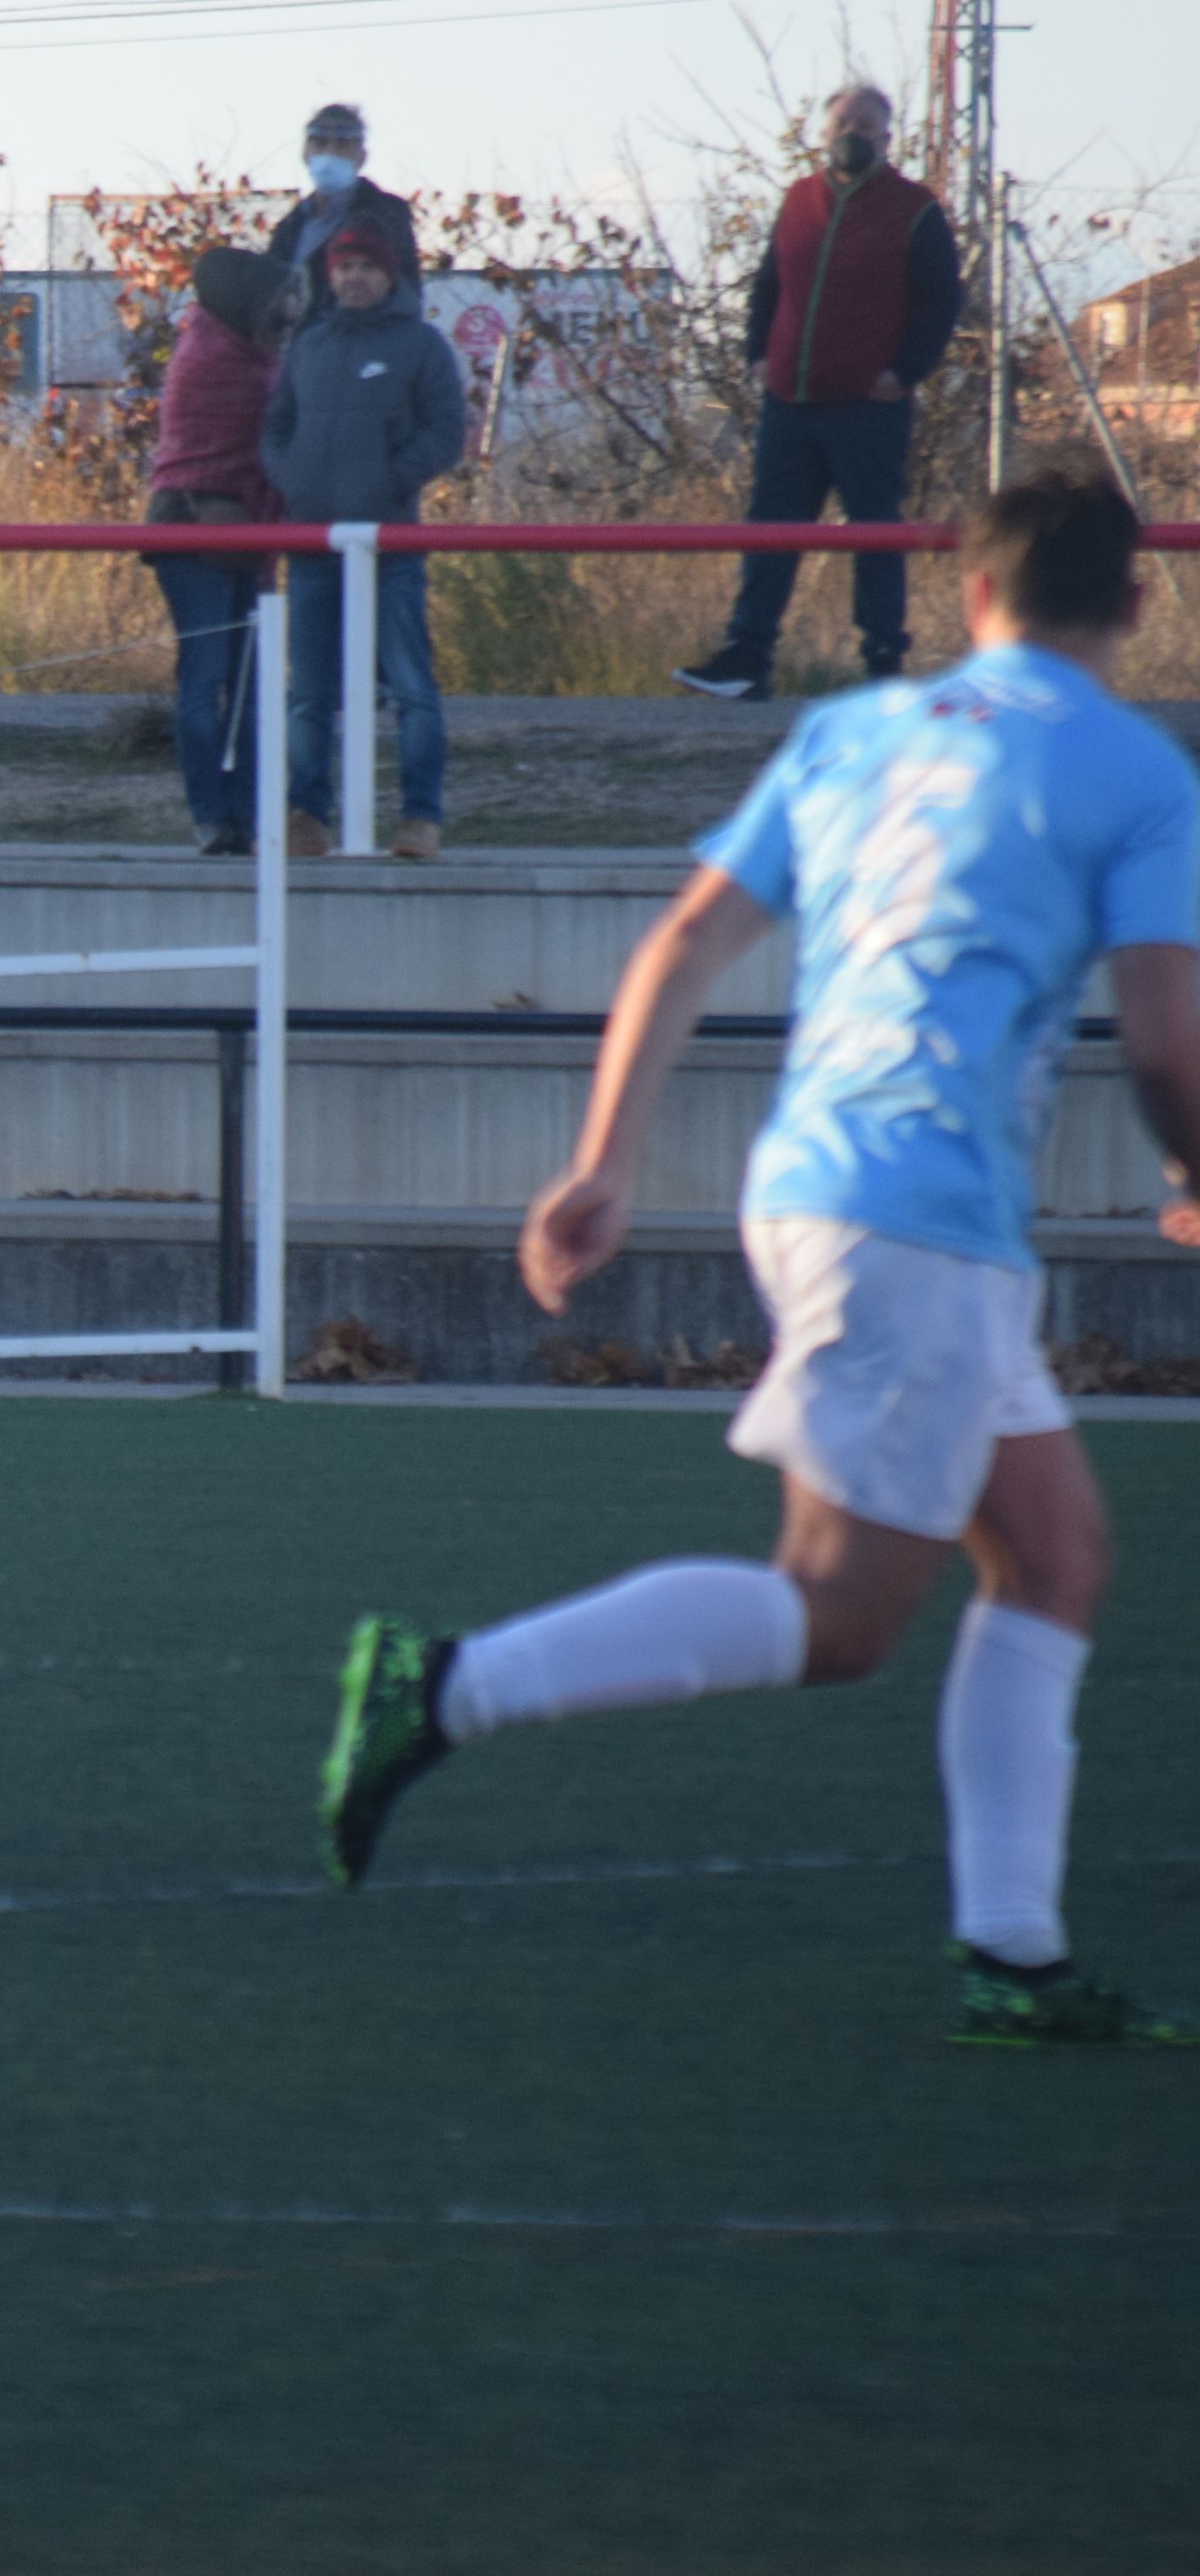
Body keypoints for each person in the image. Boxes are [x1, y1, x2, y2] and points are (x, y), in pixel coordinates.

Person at [322, 464, 1200, 2048]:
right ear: (1135, 604)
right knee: (836, 1617)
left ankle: (1014, 1955)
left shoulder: (853, 733)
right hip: (914, 1226)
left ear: (970, 598)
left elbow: (682, 944)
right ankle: (445, 1687)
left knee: (1055, 1555)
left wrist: (601, 1167)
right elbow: (1163, 1034)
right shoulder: (1136, 773)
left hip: (828, 1191)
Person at [675, 85, 965, 701]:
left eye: (867, 124)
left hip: (868, 405)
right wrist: (757, 353)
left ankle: (883, 665)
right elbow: (769, 282)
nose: (853, 133)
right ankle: (747, 658)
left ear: (887, 137)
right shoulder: (798, 200)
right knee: (771, 528)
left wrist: (905, 371)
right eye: (843, 121)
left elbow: (942, 300)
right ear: (824, 130)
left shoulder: (914, 209)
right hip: (790, 399)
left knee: (873, 532)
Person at [261, 223, 465, 860]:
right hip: (314, 543)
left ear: (390, 277)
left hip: (390, 546)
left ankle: (419, 819)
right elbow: (276, 427)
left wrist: (387, 480)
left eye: (366, 268)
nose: (353, 278)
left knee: (411, 687)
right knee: (308, 693)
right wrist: (293, 479)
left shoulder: (420, 345)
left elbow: (445, 432)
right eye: (343, 267)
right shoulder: (309, 344)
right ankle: (307, 816)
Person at [146, 247, 294, 857]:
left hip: (245, 534)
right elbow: (237, 441)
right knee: (205, 683)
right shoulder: (213, 360)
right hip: (193, 534)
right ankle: (211, 813)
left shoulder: (256, 358)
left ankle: (250, 816)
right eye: (275, 303)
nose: (285, 314)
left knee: (252, 687)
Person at [263, 102, 420, 326]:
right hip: (296, 352)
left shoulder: (385, 214)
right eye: (320, 143)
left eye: (342, 144)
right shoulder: (290, 225)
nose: (330, 152)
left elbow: (406, 295)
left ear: (362, 156)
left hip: (360, 344)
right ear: (305, 152)